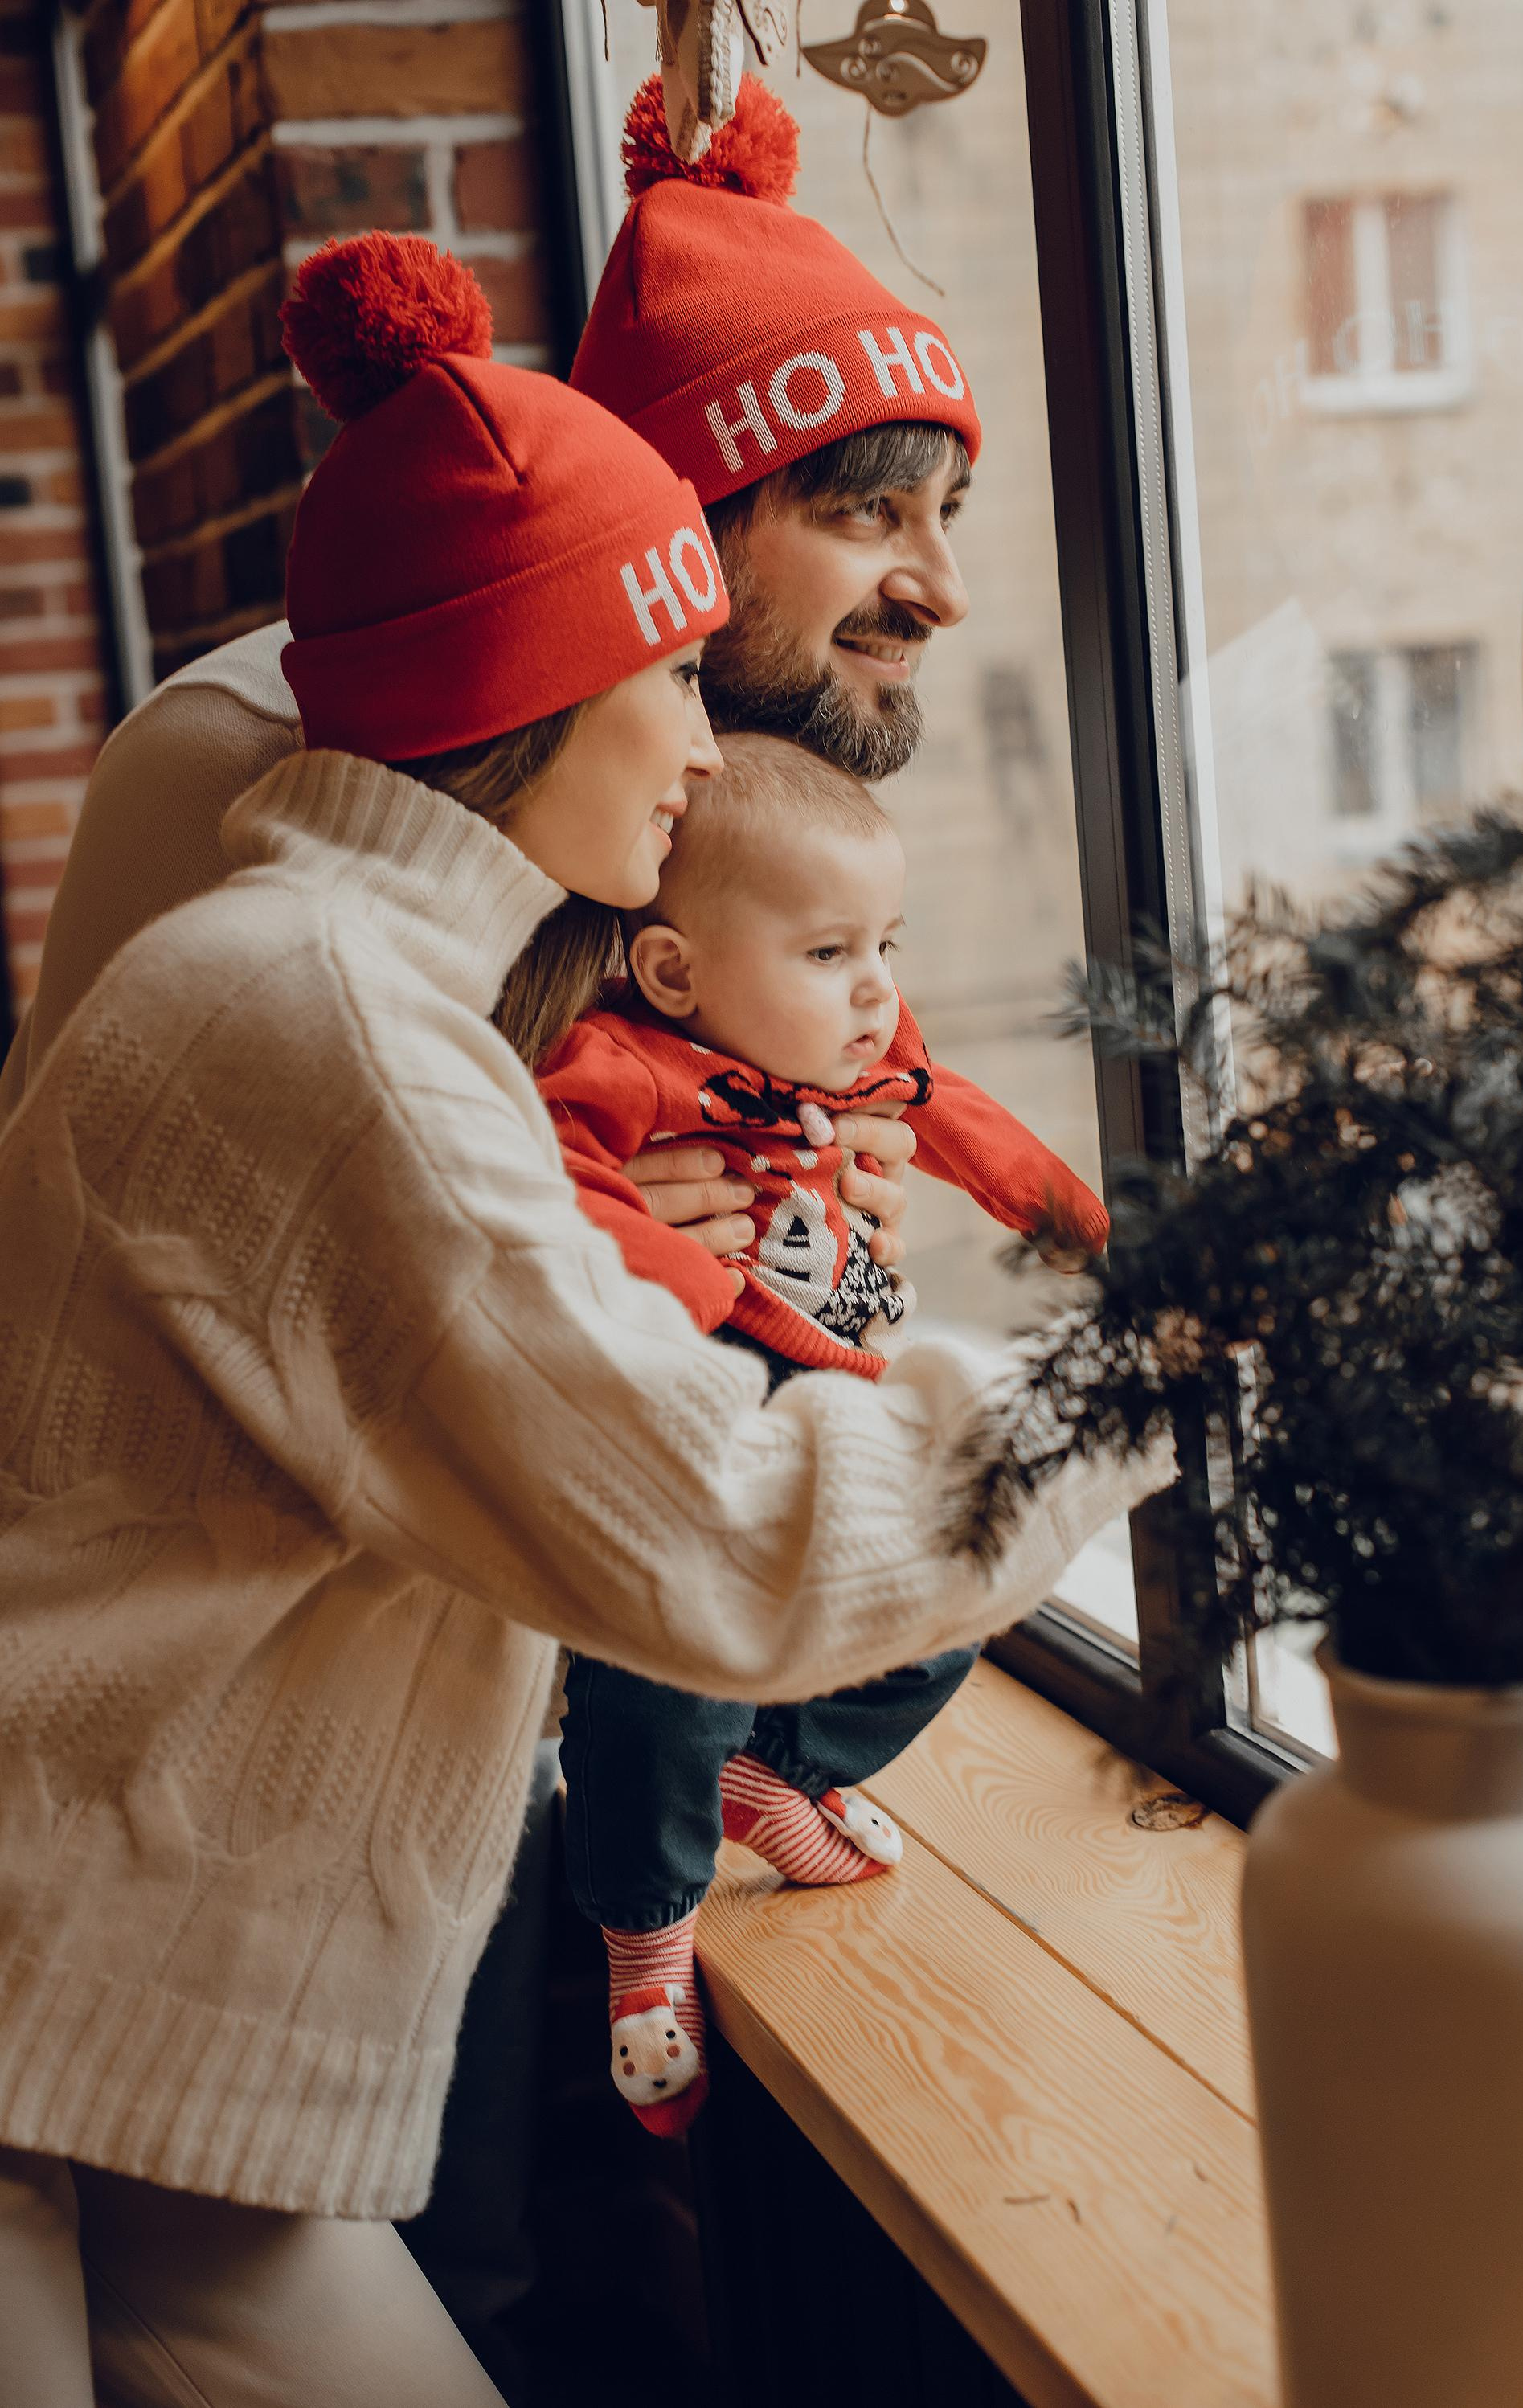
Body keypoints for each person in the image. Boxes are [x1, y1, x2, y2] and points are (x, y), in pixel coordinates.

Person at [0, 240, 1165, 2406]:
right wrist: (1145, 1365)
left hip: (151, 1965)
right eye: (854, 515)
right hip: (83, 1908)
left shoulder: (387, 954)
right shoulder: (323, 981)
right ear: (602, 641)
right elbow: (700, 1532)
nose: (712, 771)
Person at [538, 735, 1111, 2135]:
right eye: (827, 952)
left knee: (955, 1591)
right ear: (678, 971)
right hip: (692, 1397)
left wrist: (1095, 1237)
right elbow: (540, 1178)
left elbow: (959, 1118)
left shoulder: (869, 1049)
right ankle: (647, 1934)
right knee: (661, 1674)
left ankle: (781, 1771)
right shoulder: (623, 1059)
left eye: (888, 944)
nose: (875, 987)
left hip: (838, 1387)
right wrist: (696, 1277)